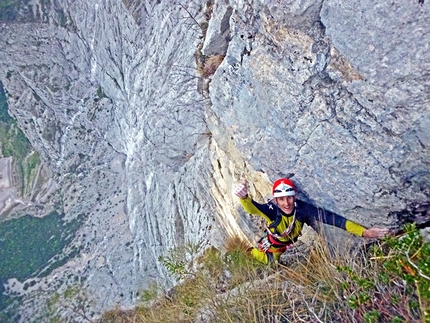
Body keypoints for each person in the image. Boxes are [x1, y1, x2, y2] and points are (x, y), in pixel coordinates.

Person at [234, 178, 389, 265]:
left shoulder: (302, 209)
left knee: (273, 261)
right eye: (281, 199)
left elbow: (333, 219)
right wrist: (244, 197)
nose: (286, 203)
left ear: (295, 197)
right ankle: (249, 252)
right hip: (274, 246)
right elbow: (252, 208)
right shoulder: (272, 210)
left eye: (289, 197)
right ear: (275, 200)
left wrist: (364, 232)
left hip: (286, 243)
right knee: (268, 261)